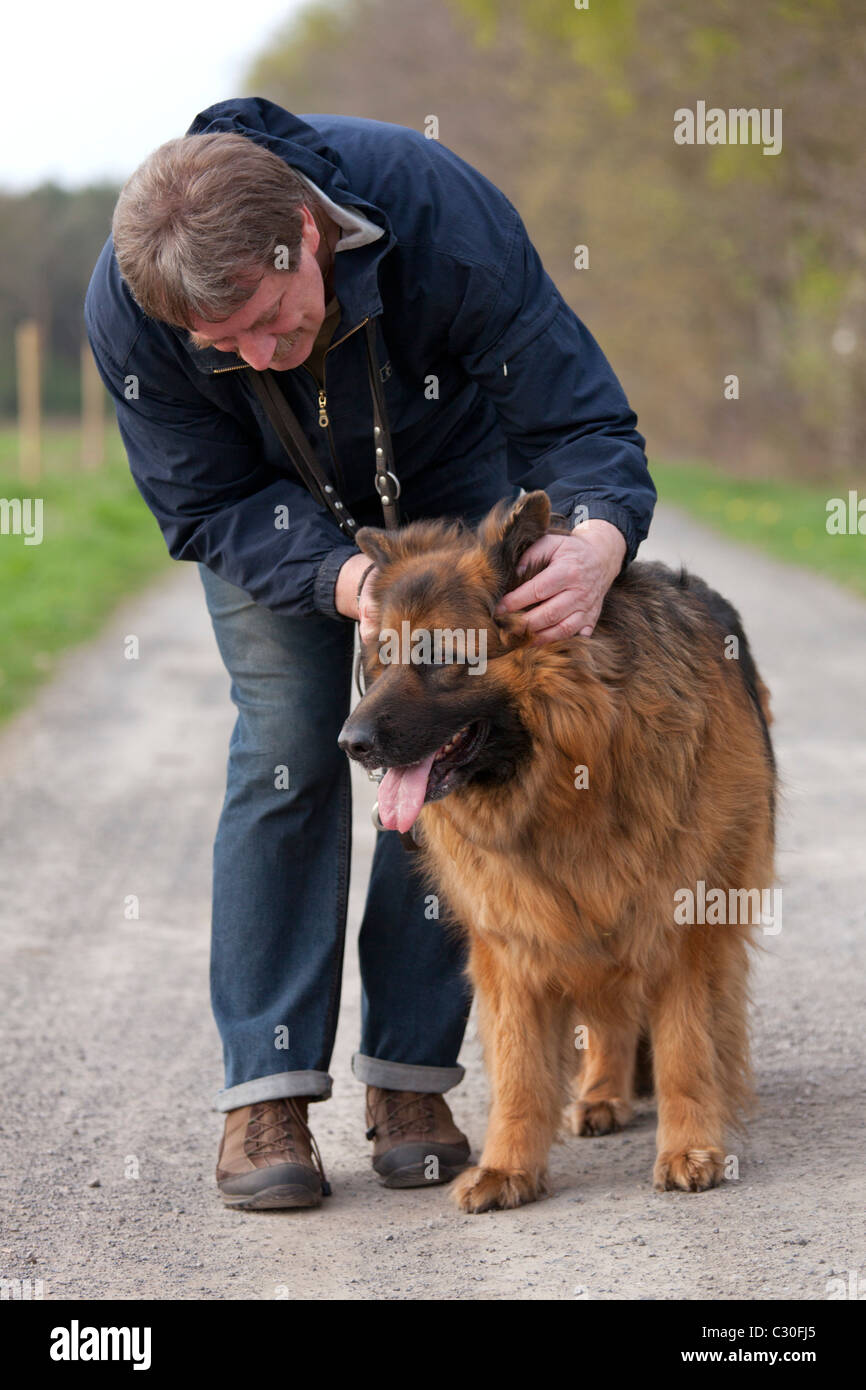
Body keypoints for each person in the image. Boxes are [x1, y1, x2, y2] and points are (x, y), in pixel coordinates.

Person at [85, 97, 655, 1210]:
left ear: (305, 235)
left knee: (453, 748)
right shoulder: (133, 306)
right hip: (270, 514)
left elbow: (578, 421)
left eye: (272, 321)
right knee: (286, 746)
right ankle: (266, 1093)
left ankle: (409, 1080)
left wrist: (596, 539)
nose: (255, 354)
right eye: (225, 348)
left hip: (450, 482)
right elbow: (202, 500)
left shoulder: (433, 208)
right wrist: (344, 580)